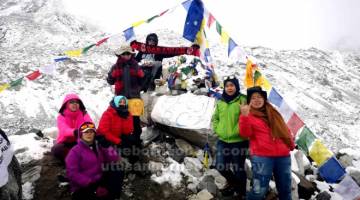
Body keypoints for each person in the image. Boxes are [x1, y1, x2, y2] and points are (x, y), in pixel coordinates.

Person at [239, 86, 295, 200]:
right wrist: (244, 117)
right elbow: (245, 134)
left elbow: (285, 129)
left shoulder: (273, 112)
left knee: (285, 189)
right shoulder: (247, 115)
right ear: (249, 101)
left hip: (283, 157)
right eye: (253, 98)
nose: (257, 100)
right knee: (259, 191)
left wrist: (290, 143)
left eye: (259, 97)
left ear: (264, 99)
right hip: (262, 158)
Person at [211, 76, 248, 198]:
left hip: (239, 141)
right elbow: (215, 118)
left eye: (232, 85)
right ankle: (233, 183)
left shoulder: (242, 100)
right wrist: (217, 129)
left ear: (236, 86)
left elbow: (248, 118)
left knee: (238, 169)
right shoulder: (221, 101)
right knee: (220, 166)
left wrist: (239, 131)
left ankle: (241, 192)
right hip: (223, 140)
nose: (229, 88)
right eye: (227, 86)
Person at [66, 122, 121, 200]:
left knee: (117, 169)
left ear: (94, 134)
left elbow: (114, 158)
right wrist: (91, 186)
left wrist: (107, 146)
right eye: (86, 132)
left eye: (91, 132)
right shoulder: (75, 151)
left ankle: (113, 196)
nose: (89, 134)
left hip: (99, 180)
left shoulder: (99, 147)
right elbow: (72, 173)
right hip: (84, 186)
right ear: (81, 134)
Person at [52, 93, 93, 162]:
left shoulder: (84, 113)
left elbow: (90, 124)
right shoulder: (61, 116)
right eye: (71, 102)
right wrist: (74, 132)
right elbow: (63, 129)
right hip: (65, 142)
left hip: (80, 140)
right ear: (67, 104)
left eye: (77, 102)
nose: (75, 104)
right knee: (56, 149)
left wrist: (86, 130)